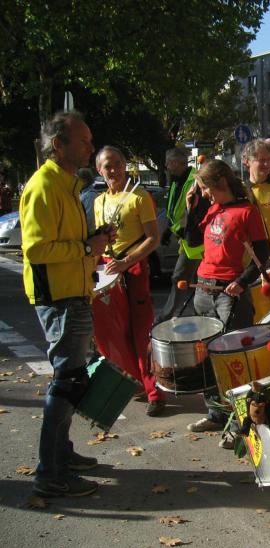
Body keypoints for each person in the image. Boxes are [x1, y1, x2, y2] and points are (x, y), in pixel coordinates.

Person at [20, 111, 115, 497]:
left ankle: (61, 454)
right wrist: (86, 248)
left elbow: (65, 241)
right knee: (67, 383)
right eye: (83, 141)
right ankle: (51, 473)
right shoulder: (45, 185)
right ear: (58, 145)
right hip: (59, 299)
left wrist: (93, 241)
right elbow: (36, 249)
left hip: (73, 293)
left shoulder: (66, 184)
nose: (90, 148)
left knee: (72, 380)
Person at [184, 160, 270, 448]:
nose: (205, 194)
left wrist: (243, 281)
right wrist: (192, 208)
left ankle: (238, 423)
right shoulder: (212, 209)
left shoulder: (247, 211)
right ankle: (216, 413)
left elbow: (263, 253)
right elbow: (191, 240)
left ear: (221, 182)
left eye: (206, 188)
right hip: (203, 287)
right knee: (206, 355)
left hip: (228, 292)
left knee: (233, 360)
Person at [92, 146, 164, 415]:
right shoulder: (98, 201)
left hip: (133, 269)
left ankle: (155, 391)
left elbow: (153, 238)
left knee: (141, 332)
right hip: (108, 269)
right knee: (112, 332)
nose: (114, 170)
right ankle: (133, 381)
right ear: (99, 170)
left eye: (118, 164)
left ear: (125, 165)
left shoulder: (139, 197)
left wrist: (127, 261)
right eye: (108, 166)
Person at [157, 147, 203, 321]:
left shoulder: (194, 180)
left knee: (180, 277)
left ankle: (166, 316)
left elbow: (194, 211)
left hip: (196, 241)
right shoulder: (177, 181)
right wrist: (168, 230)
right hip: (186, 240)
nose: (167, 167)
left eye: (168, 163)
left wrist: (181, 229)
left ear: (176, 163)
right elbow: (175, 210)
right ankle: (201, 314)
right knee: (199, 281)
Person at [243, 138, 270, 253]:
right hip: (251, 257)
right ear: (247, 161)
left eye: (269, 160)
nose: (267, 164)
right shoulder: (240, 191)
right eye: (262, 160)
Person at [77, 168, 97, 232]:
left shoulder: (90, 195)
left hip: (87, 232)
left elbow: (89, 217)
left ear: (85, 181)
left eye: (77, 180)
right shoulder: (81, 193)